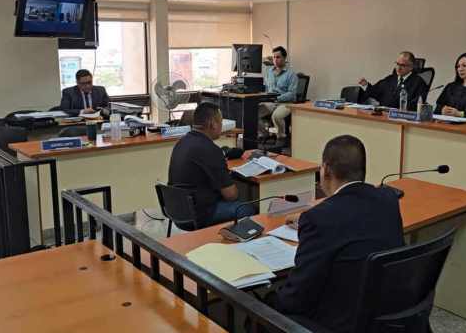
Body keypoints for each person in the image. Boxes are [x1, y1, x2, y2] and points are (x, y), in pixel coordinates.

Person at [267, 135, 405, 333]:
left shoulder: (320, 219)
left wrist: (270, 299)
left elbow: (297, 297)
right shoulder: (388, 199)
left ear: (326, 170)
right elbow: (354, 218)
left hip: (339, 323)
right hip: (386, 318)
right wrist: (308, 218)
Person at [168, 102, 254, 227]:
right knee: (247, 209)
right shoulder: (210, 150)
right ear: (212, 124)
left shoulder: (182, 142)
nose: (221, 126)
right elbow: (231, 195)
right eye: (220, 122)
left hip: (177, 210)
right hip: (198, 214)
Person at [358, 51, 427, 111]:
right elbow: (375, 92)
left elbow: (417, 105)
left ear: (411, 67)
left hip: (403, 118)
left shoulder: (418, 83)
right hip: (383, 116)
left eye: (402, 65)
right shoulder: (390, 79)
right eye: (397, 64)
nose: (398, 68)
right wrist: (366, 85)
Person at [259, 46, 299, 148]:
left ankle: (281, 137)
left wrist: (277, 98)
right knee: (253, 112)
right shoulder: (269, 72)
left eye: (278, 57)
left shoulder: (291, 75)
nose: (275, 60)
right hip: (271, 102)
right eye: (274, 57)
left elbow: (292, 93)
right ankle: (265, 133)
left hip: (286, 103)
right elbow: (266, 88)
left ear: (284, 58)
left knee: (276, 116)